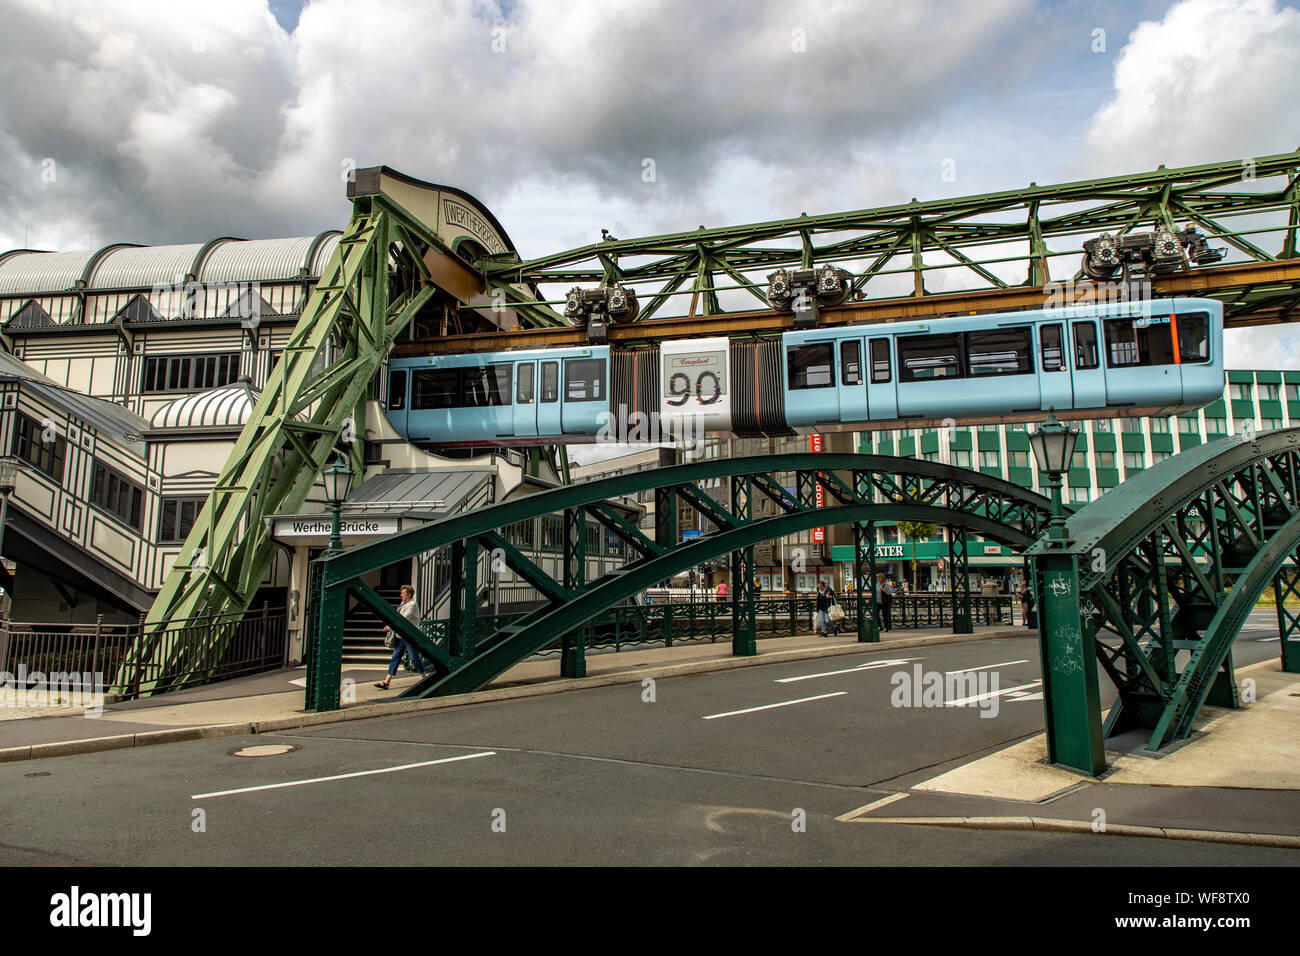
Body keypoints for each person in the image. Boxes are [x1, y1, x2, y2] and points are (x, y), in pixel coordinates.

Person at [375, 585, 426, 690]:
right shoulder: (403, 604)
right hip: (401, 636)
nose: (401, 595)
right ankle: (386, 682)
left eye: (403, 593)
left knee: (414, 658)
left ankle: (424, 677)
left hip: (409, 637)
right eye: (401, 593)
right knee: (395, 658)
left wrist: (389, 627)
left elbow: (403, 619)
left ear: (409, 594)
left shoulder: (412, 605)